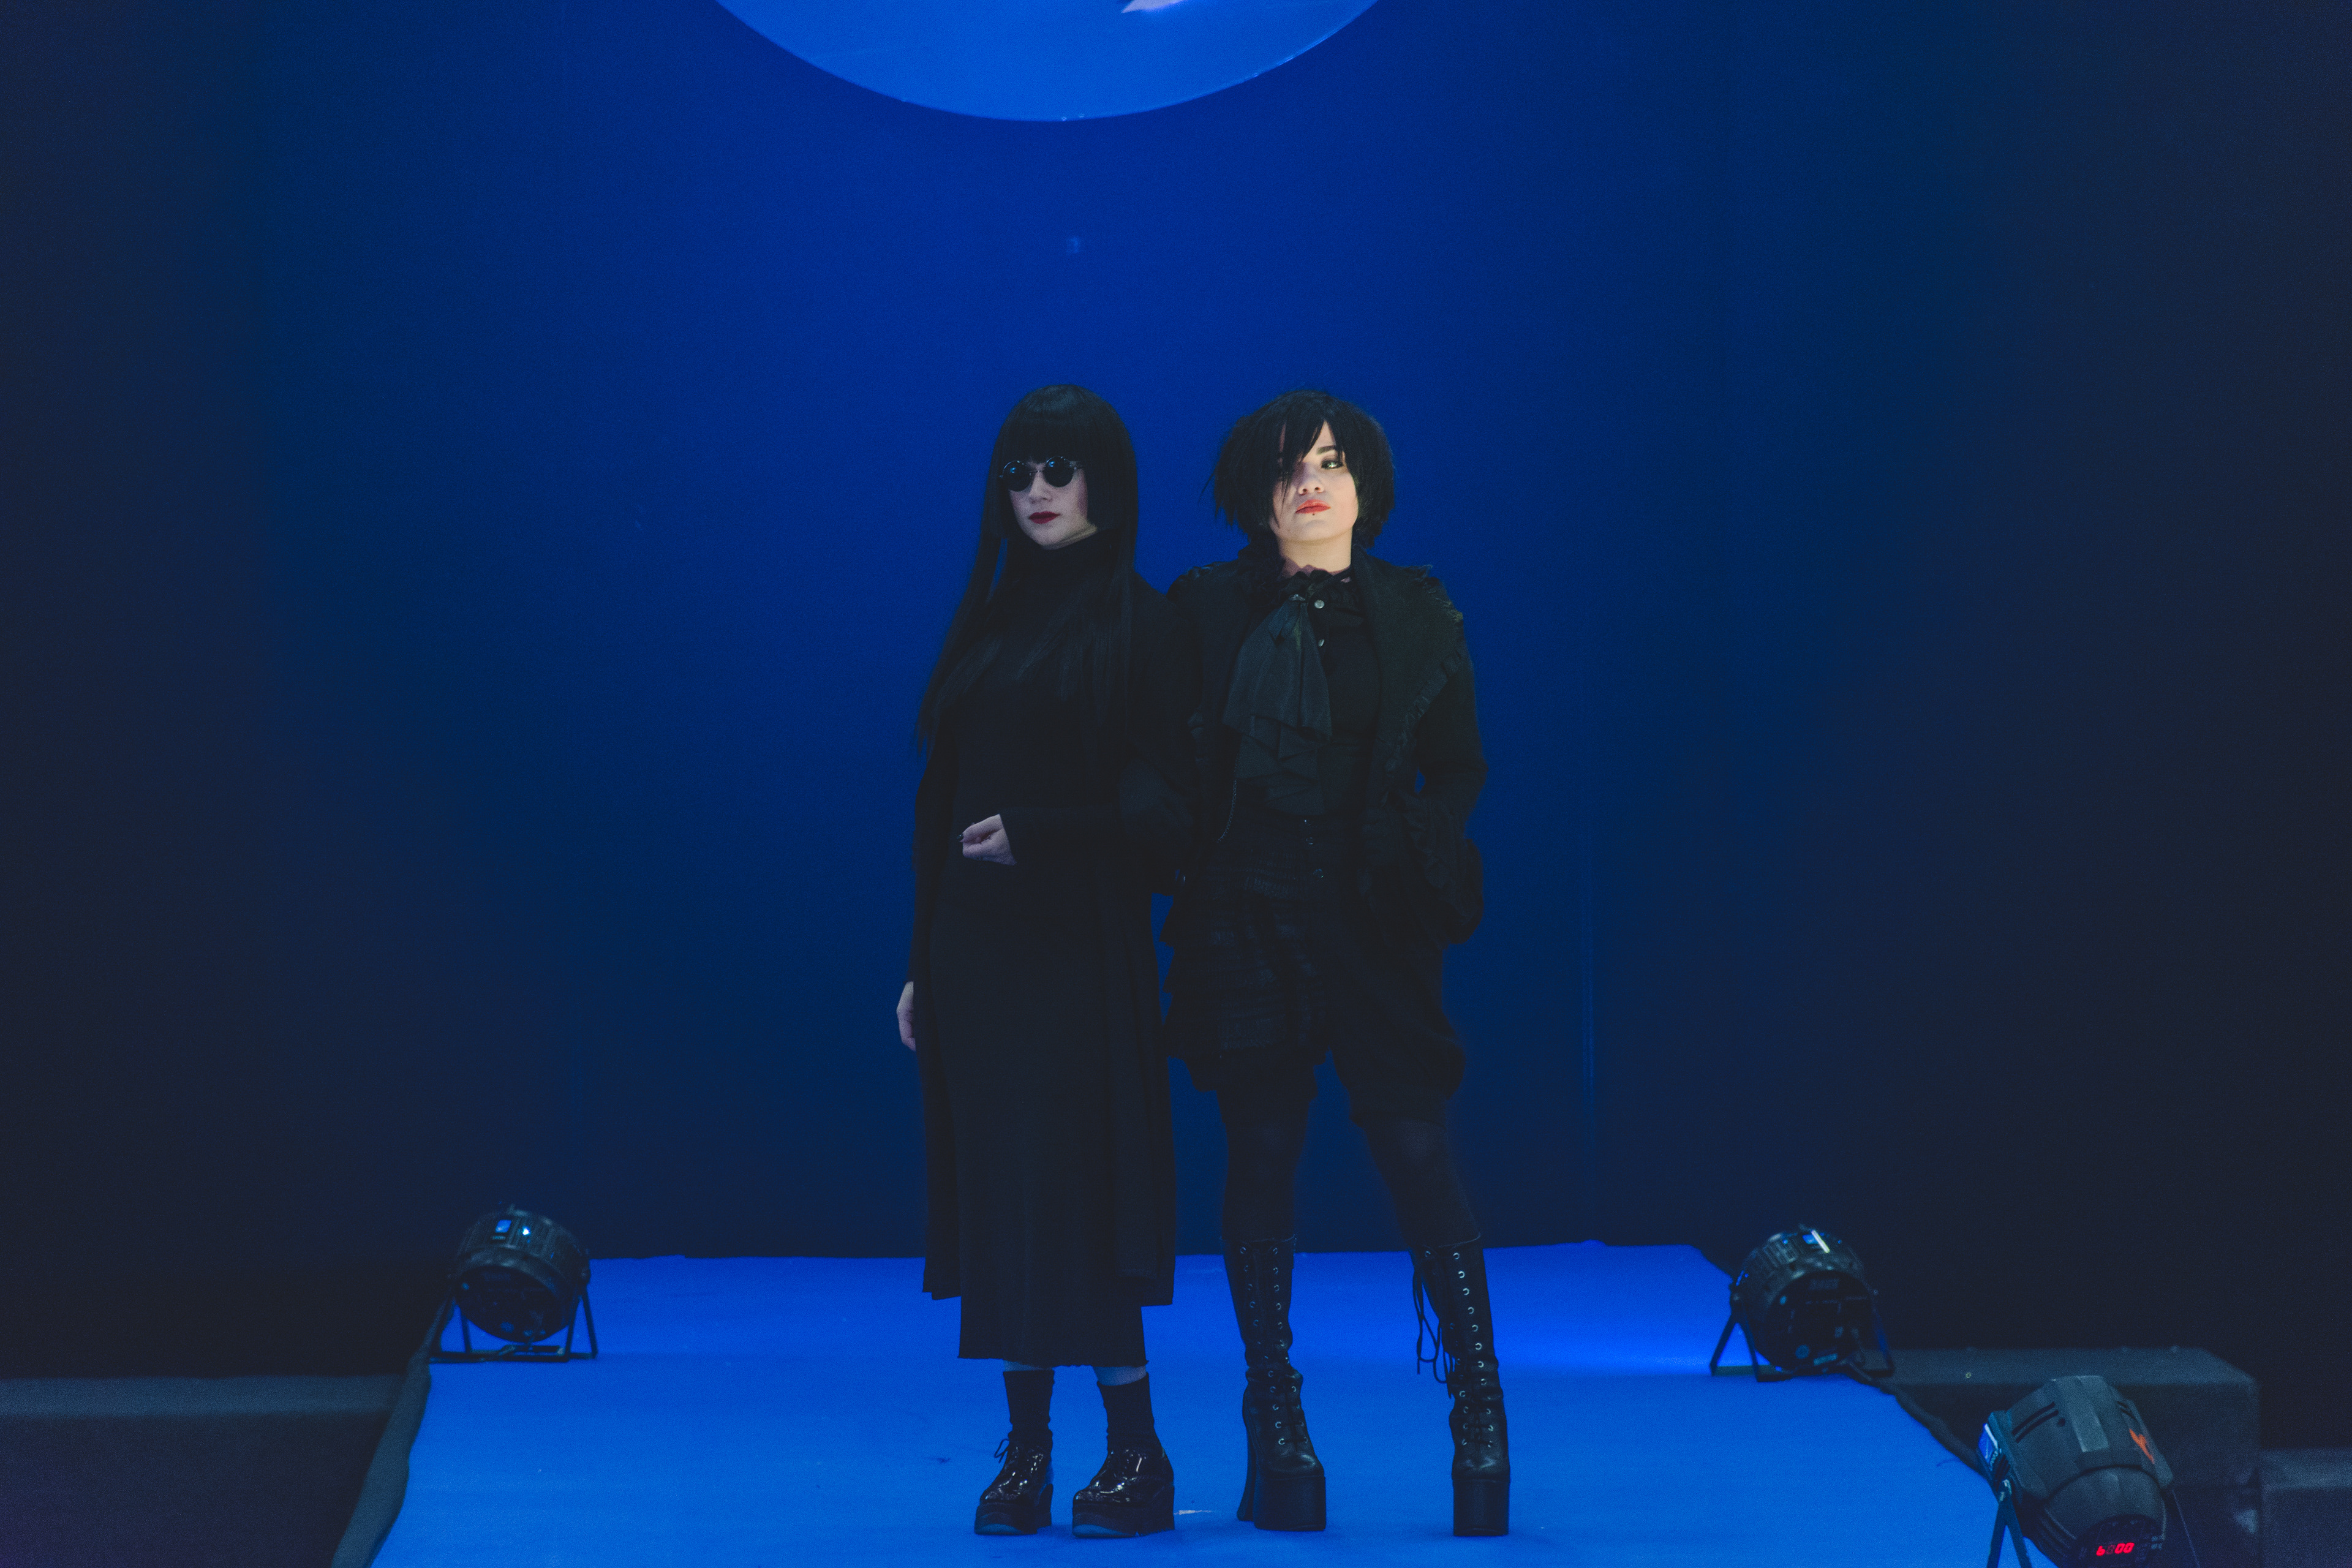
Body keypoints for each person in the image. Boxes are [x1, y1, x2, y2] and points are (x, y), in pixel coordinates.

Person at [1164, 389, 1506, 1537]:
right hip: (1246, 910)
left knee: (1416, 1147)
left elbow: (1460, 764)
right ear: (1250, 492)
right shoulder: (1205, 608)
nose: (1310, 483)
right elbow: (1165, 761)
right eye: (1287, 467)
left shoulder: (1417, 612)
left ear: (1367, 483)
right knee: (1262, 1150)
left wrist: (1417, 843)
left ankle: (1481, 1413)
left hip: (1373, 913)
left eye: (1331, 462)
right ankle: (1276, 1415)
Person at [898, 385, 1199, 1538]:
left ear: (1103, 482)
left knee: (1073, 1192)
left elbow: (1173, 816)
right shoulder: (987, 620)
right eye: (1019, 473)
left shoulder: (1143, 625)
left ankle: (1137, 1450)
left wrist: (1045, 832)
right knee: (1002, 1197)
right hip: (976, 959)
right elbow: (937, 810)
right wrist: (919, 963)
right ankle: (1027, 1448)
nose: (1036, 493)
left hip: (1078, 954)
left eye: (1058, 471)